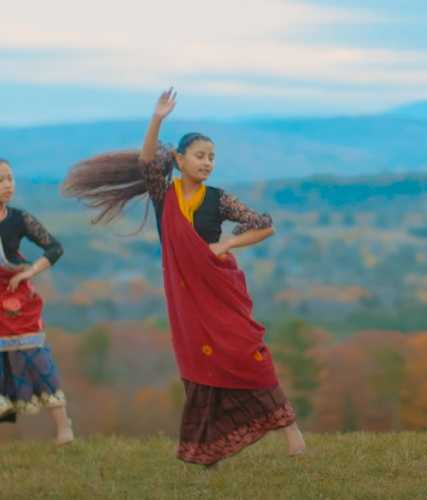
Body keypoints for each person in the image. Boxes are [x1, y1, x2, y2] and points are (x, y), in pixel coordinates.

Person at [61, 89, 305, 467]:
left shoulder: (219, 199)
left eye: (211, 158)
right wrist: (157, 118)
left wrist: (224, 246)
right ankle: (209, 449)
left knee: (249, 354)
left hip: (221, 290)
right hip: (186, 296)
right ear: (180, 159)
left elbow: (263, 227)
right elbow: (146, 161)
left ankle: (291, 430)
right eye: (200, 156)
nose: (207, 163)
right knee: (200, 364)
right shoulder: (164, 193)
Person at [0, 158, 72, 444]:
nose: (7, 185)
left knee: (34, 355)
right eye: (1, 180)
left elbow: (54, 248)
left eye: (9, 178)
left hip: (16, 298)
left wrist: (28, 272)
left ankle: (63, 425)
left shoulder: (18, 219)